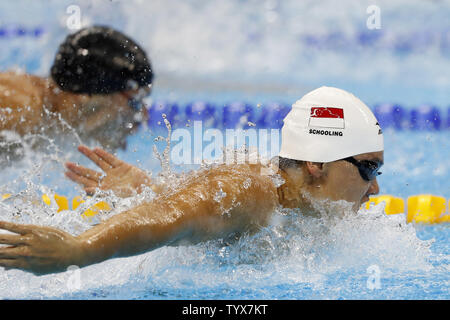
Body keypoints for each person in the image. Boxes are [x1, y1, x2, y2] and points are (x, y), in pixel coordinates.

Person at [0, 87, 384, 275]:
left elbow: (192, 209)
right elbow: (170, 217)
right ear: (316, 163)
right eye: (367, 169)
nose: (375, 188)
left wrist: (145, 189)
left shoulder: (305, 202)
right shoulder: (252, 192)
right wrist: (77, 249)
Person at [0, 25, 153, 152]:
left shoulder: (49, 125)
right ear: (87, 95)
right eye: (135, 102)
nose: (143, 118)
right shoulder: (19, 110)